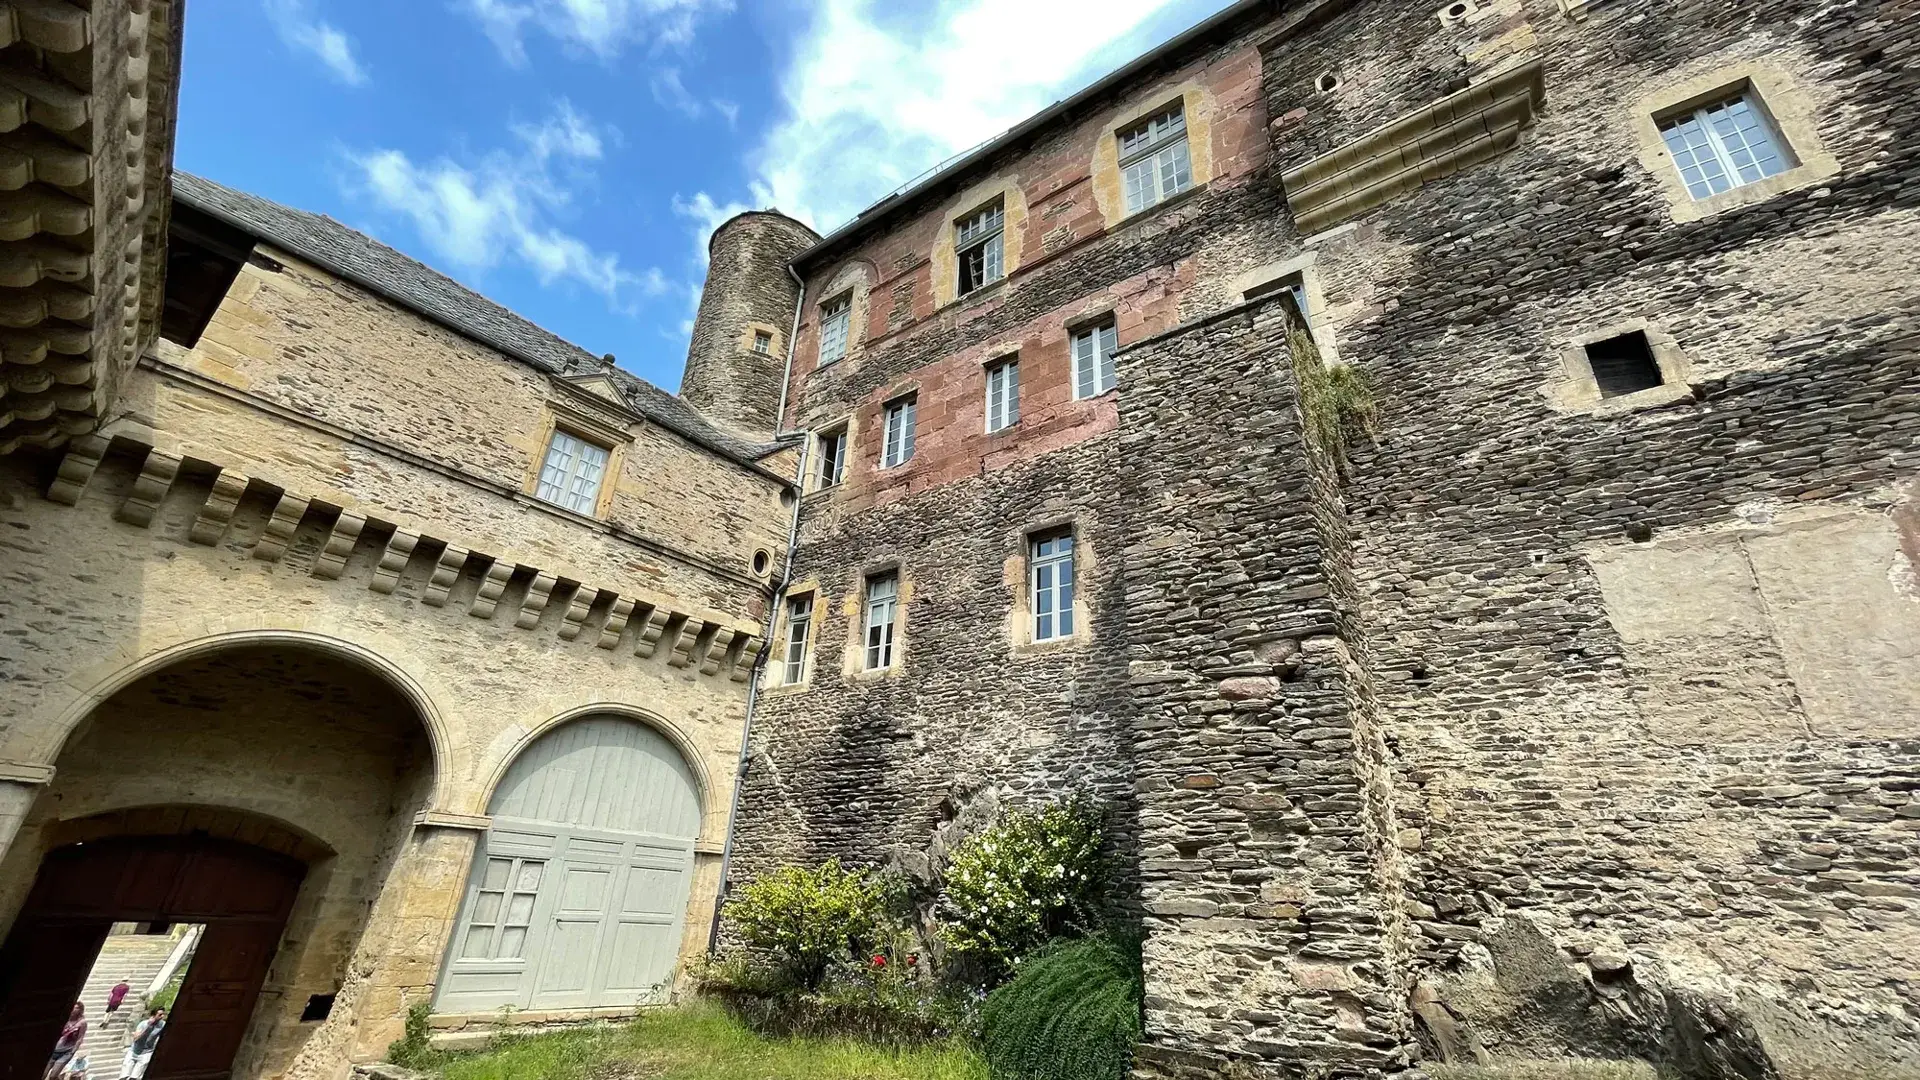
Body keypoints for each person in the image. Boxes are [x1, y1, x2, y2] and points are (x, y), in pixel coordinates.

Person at [43, 1003, 85, 1080]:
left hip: (66, 1052)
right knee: (43, 1073)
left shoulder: (82, 1023)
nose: (73, 1010)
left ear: (80, 1010)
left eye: (76, 1008)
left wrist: (73, 1051)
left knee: (53, 1075)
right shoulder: (65, 1017)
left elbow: (80, 1037)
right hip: (54, 1050)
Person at [119, 1009, 164, 1080]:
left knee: (134, 1078)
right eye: (160, 1015)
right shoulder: (143, 1024)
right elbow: (136, 1038)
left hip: (146, 1053)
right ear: (153, 1015)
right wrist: (148, 1027)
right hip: (133, 1051)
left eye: (163, 1014)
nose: (162, 1016)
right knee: (123, 1077)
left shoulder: (162, 1025)